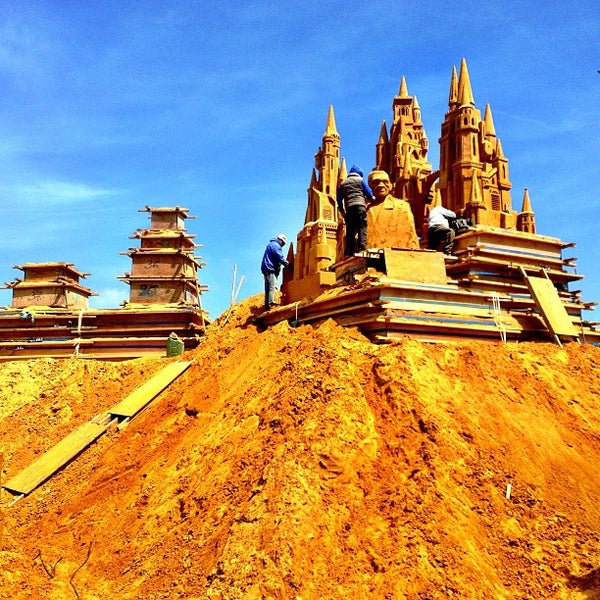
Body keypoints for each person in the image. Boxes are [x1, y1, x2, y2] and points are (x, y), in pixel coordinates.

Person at [366, 170, 419, 249]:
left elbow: (411, 237)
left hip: (395, 257)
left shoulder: (401, 206)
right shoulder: (364, 209)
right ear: (369, 186)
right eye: (375, 182)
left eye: (385, 182)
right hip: (366, 257)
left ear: (390, 186)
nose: (381, 185)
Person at [337, 165, 373, 256]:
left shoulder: (343, 184)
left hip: (349, 209)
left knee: (350, 230)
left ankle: (349, 251)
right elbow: (369, 193)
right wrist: (372, 198)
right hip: (360, 206)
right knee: (362, 226)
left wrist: (342, 210)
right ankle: (362, 246)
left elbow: (339, 199)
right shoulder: (360, 181)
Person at [261, 234, 289, 309]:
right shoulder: (276, 246)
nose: (283, 245)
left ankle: (267, 305)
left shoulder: (271, 244)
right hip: (270, 268)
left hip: (266, 268)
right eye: (283, 243)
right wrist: (287, 264)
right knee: (272, 286)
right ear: (280, 240)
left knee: (268, 287)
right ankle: (271, 303)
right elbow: (280, 257)